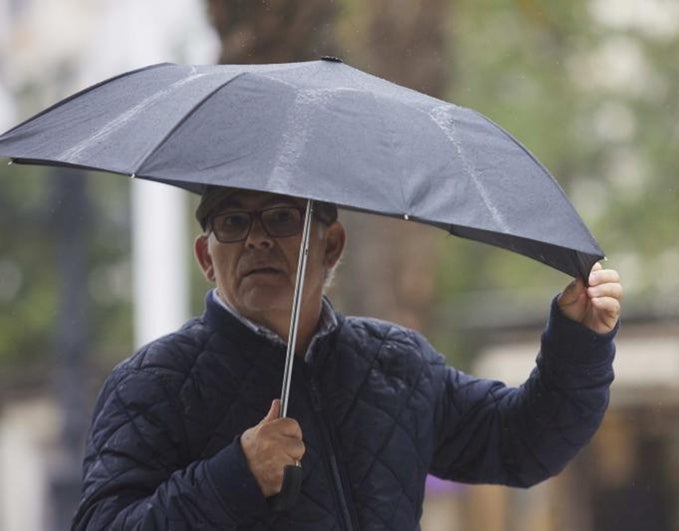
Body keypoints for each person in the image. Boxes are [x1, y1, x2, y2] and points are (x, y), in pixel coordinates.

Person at [72, 185, 622, 530]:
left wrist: (579, 342)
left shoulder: (397, 364)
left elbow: (522, 444)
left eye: (282, 218)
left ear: (331, 245)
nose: (257, 240)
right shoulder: (150, 385)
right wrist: (234, 476)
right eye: (233, 223)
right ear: (206, 257)